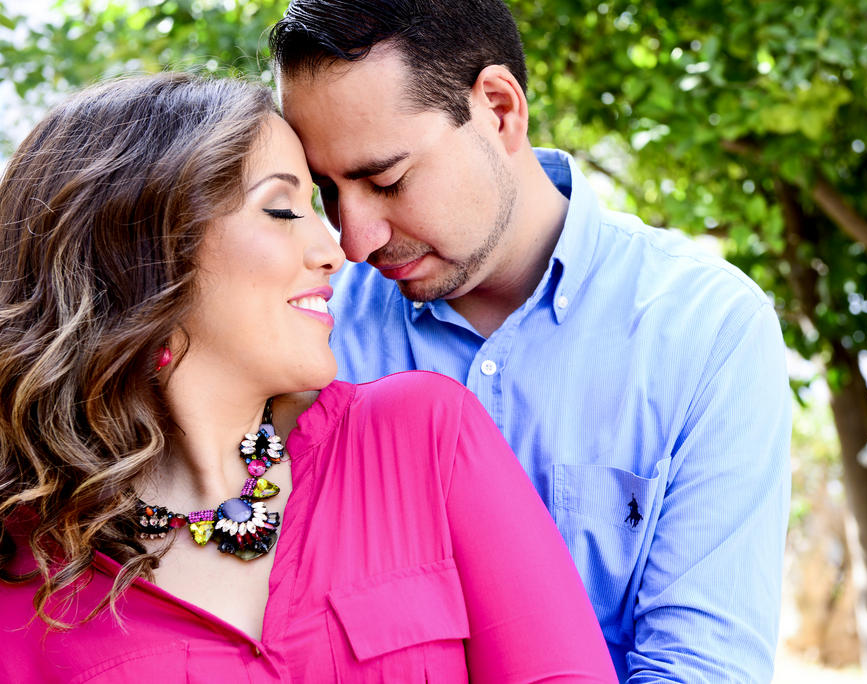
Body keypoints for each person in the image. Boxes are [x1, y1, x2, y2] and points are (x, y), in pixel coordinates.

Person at [0, 73, 616, 683]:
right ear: (139, 256)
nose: (338, 251)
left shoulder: (422, 435)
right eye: (281, 209)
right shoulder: (22, 572)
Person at [269, 1, 793, 681]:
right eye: (328, 193)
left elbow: (700, 666)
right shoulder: (313, 330)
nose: (356, 241)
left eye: (386, 181)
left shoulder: (706, 331)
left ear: (498, 109)